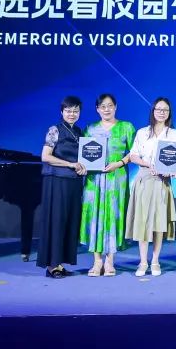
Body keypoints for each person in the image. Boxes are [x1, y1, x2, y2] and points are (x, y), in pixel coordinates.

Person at [80, 93, 135, 277]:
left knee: (114, 215)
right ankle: (97, 261)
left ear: (115, 107)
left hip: (116, 179)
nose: (106, 109)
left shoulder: (126, 127)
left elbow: (135, 152)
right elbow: (84, 153)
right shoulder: (89, 129)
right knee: (94, 216)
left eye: (110, 105)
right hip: (94, 180)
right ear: (97, 109)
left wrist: (119, 163)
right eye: (102, 106)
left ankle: (110, 261)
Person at [126, 97, 176, 277]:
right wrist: (149, 165)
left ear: (169, 113)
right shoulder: (142, 132)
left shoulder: (174, 134)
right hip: (144, 179)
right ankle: (142, 262)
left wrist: (168, 171)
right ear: (153, 111)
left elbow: (175, 159)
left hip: (162, 182)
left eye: (165, 110)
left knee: (158, 223)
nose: (161, 112)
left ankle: (155, 261)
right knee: (142, 222)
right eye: (158, 109)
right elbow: (133, 156)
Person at [37, 96, 87, 278]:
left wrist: (83, 167)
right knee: (56, 221)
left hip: (73, 182)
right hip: (56, 181)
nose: (72, 114)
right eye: (68, 111)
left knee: (69, 222)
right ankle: (51, 265)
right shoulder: (54, 130)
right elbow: (45, 156)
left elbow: (82, 159)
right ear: (62, 112)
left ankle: (60, 263)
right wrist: (70, 164)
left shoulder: (79, 132)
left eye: (75, 111)